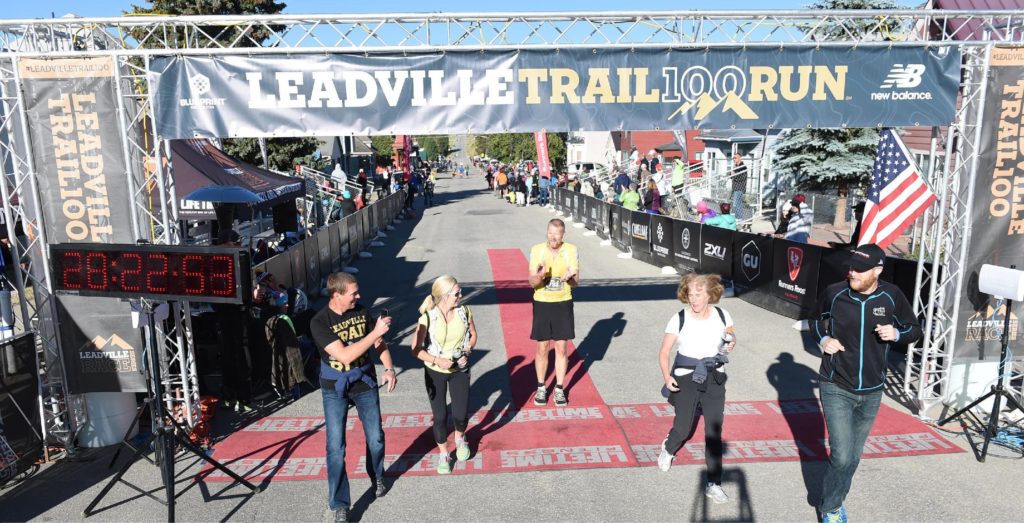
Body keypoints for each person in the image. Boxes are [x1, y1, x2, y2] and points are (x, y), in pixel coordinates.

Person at [810, 244, 922, 523]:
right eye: (851, 267)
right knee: (842, 455)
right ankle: (831, 508)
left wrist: (896, 333)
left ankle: (833, 499)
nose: (852, 273)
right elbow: (814, 320)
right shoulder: (835, 293)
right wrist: (824, 340)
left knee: (853, 457)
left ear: (878, 270)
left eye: (860, 270)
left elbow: (914, 329)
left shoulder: (892, 296)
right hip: (836, 385)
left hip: (872, 391)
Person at [309, 273, 397, 522]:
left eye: (358, 292)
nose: (358, 297)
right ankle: (339, 503)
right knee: (335, 447)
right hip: (334, 386)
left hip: (364, 382)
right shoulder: (319, 322)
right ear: (336, 295)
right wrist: (374, 333)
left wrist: (389, 368)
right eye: (353, 294)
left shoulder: (360, 311)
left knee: (376, 438)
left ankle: (377, 474)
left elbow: (378, 343)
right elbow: (345, 355)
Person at [657, 273, 736, 504]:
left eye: (699, 294)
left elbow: (731, 338)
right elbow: (664, 352)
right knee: (682, 428)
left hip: (714, 376)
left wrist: (730, 344)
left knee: (714, 432)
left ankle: (714, 482)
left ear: (710, 294)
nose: (694, 299)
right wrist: (666, 377)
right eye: (690, 294)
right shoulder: (679, 318)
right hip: (686, 377)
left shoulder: (722, 315)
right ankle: (669, 448)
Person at [412, 275, 478, 474]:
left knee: (460, 414)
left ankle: (460, 437)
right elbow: (416, 350)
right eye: (457, 293)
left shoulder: (464, 312)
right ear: (444, 296)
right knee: (440, 416)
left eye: (460, 292)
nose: (461, 295)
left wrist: (468, 349)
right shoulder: (427, 318)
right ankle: (443, 453)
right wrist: (437, 360)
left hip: (459, 369)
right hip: (435, 371)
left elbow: (473, 336)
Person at [528, 219, 579, 407]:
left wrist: (570, 277)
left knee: (561, 347)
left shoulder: (571, 250)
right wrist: (540, 276)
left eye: (557, 234)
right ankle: (541, 387)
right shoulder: (537, 250)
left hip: (563, 302)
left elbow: (576, 283)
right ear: (546, 232)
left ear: (563, 235)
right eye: (550, 232)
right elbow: (531, 283)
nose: (553, 237)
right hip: (542, 302)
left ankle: (559, 388)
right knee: (542, 347)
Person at [265, 291, 306, 399]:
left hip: (276, 357)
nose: (287, 305)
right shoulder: (284, 319)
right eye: (284, 303)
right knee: (308, 345)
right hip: (289, 355)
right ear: (278, 306)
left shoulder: (268, 320)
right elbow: (293, 342)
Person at [729, 153, 748, 221]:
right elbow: (732, 176)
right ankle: (737, 216)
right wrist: (731, 174)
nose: (734, 159)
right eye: (734, 158)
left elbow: (742, 177)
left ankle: (739, 217)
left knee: (737, 203)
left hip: (740, 188)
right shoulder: (735, 166)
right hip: (735, 188)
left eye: (736, 158)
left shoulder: (743, 167)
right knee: (735, 203)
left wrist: (734, 175)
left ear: (740, 158)